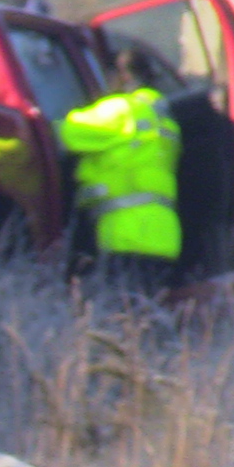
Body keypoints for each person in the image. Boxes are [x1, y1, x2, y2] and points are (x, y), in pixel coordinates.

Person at [58, 50, 183, 295]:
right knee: (147, 311)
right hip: (165, 238)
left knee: (118, 311)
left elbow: (65, 133)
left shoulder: (123, 110)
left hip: (126, 236)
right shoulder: (166, 122)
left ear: (123, 76)